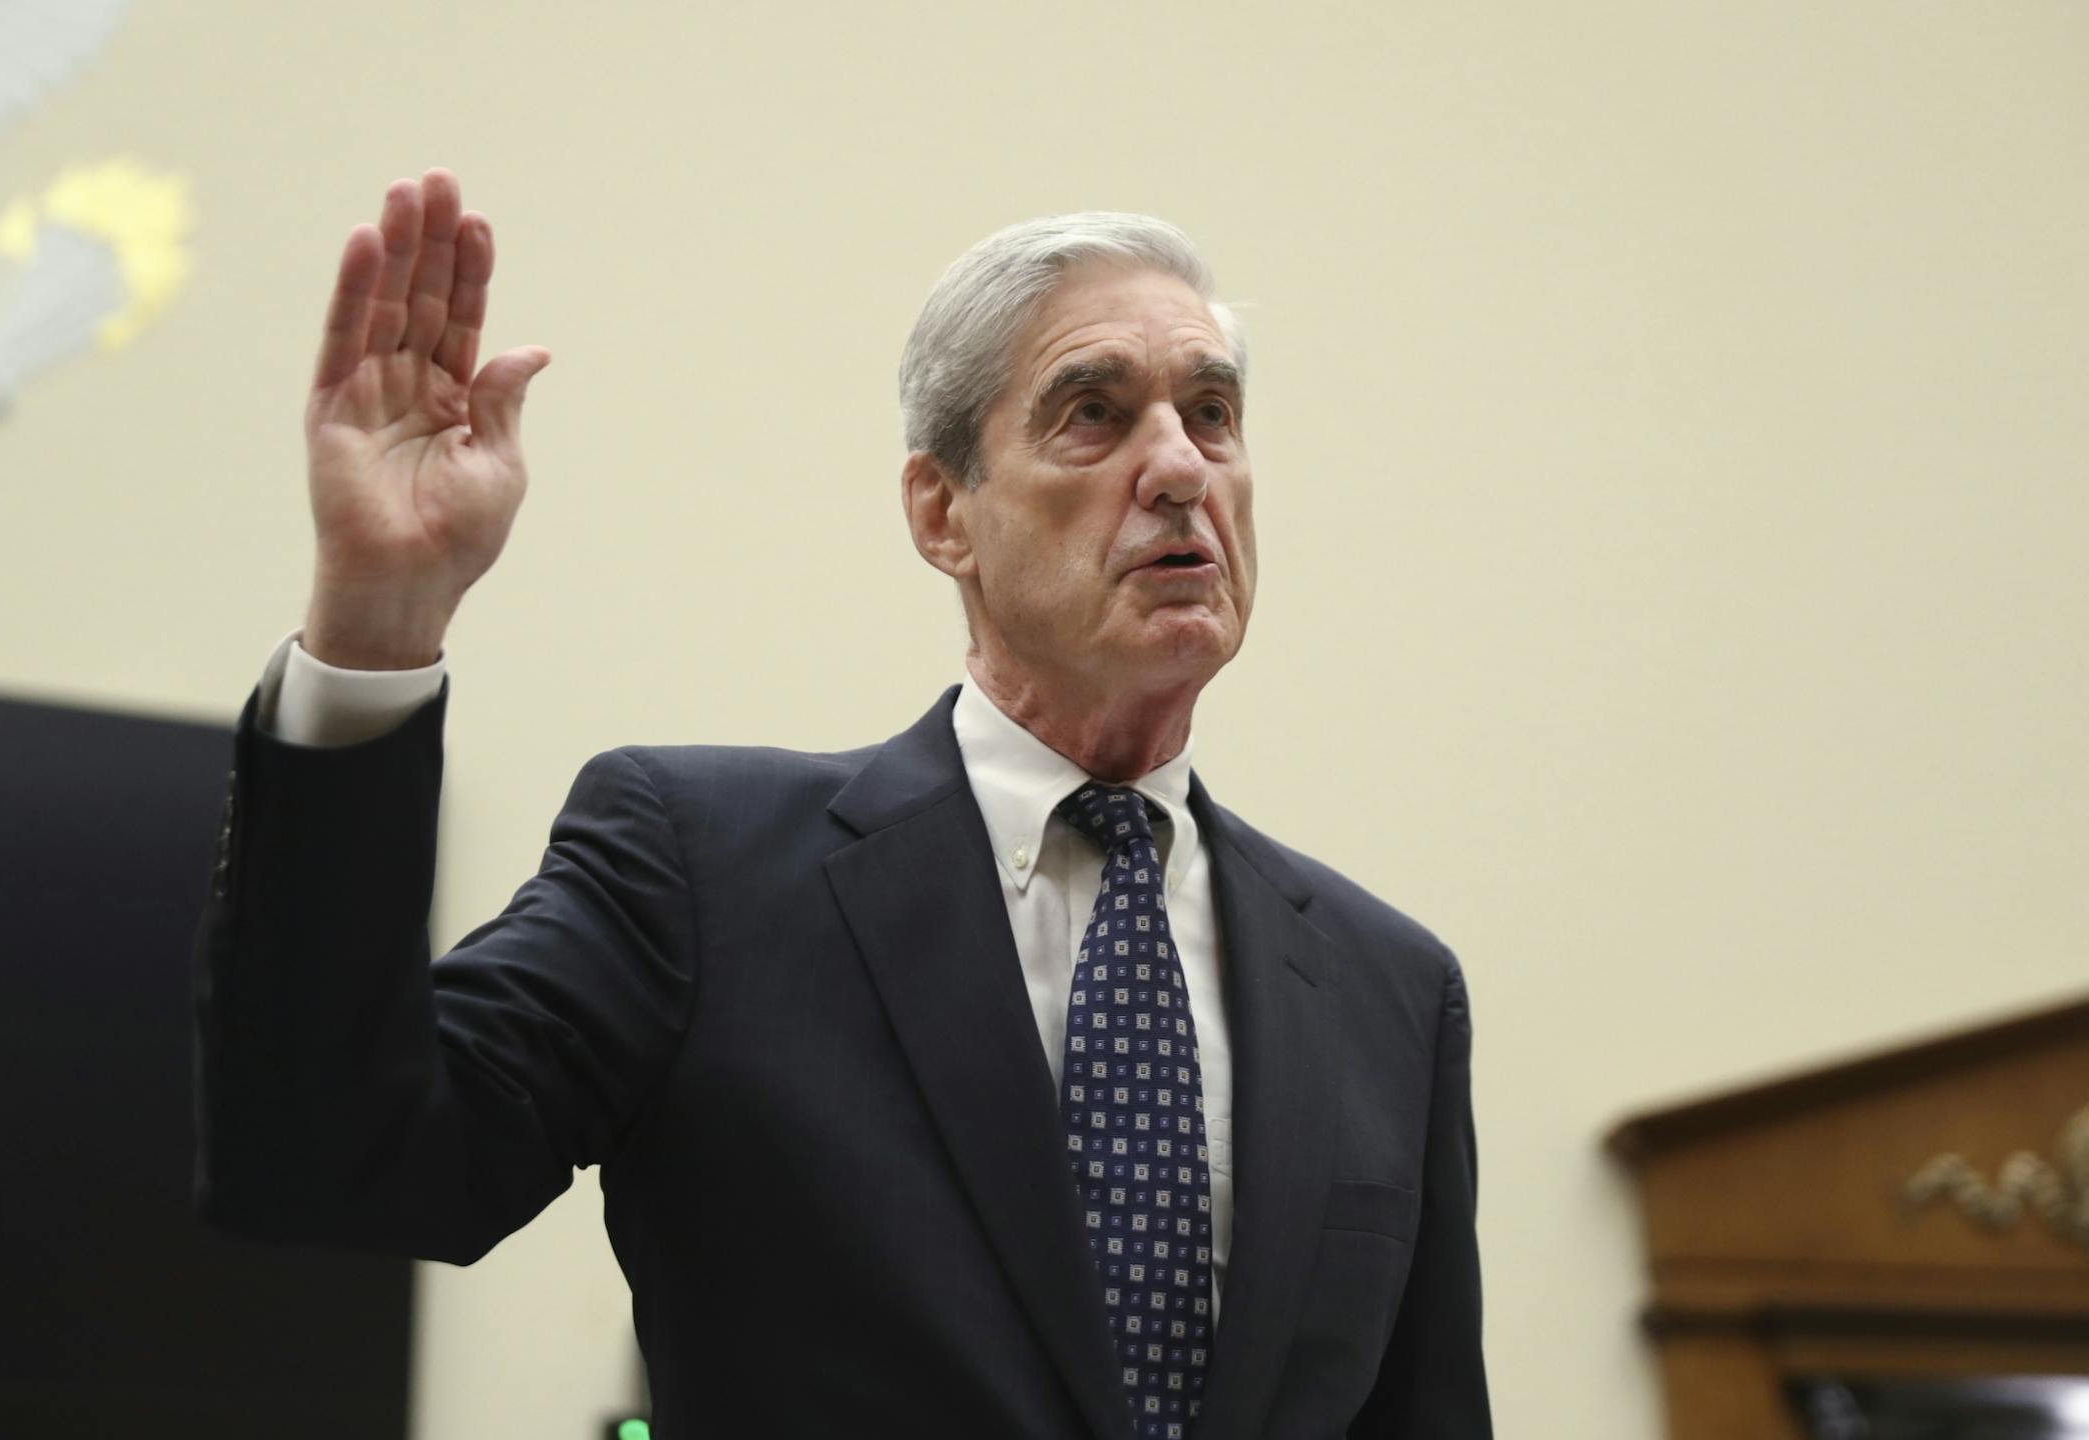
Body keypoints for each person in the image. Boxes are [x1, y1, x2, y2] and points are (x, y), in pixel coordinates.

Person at [194, 167, 1492, 1440]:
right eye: (1094, 414)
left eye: (1212, 414)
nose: (1179, 468)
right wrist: (376, 624)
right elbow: (337, 1162)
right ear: (943, 512)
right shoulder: (701, 871)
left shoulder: (1388, 987)